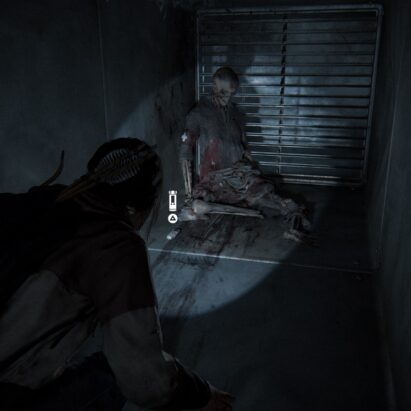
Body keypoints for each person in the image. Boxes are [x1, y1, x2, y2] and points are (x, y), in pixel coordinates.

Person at [0, 138, 234, 410]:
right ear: (147, 202)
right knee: (111, 374)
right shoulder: (116, 246)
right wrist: (200, 394)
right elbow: (146, 380)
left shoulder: (39, 201)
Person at [179, 67, 312, 242]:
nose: (226, 98)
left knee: (261, 192)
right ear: (214, 86)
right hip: (214, 175)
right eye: (223, 92)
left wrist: (250, 163)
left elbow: (243, 144)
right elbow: (186, 146)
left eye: (230, 94)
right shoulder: (200, 113)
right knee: (203, 201)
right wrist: (187, 186)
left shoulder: (236, 113)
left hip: (239, 171)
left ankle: (293, 216)